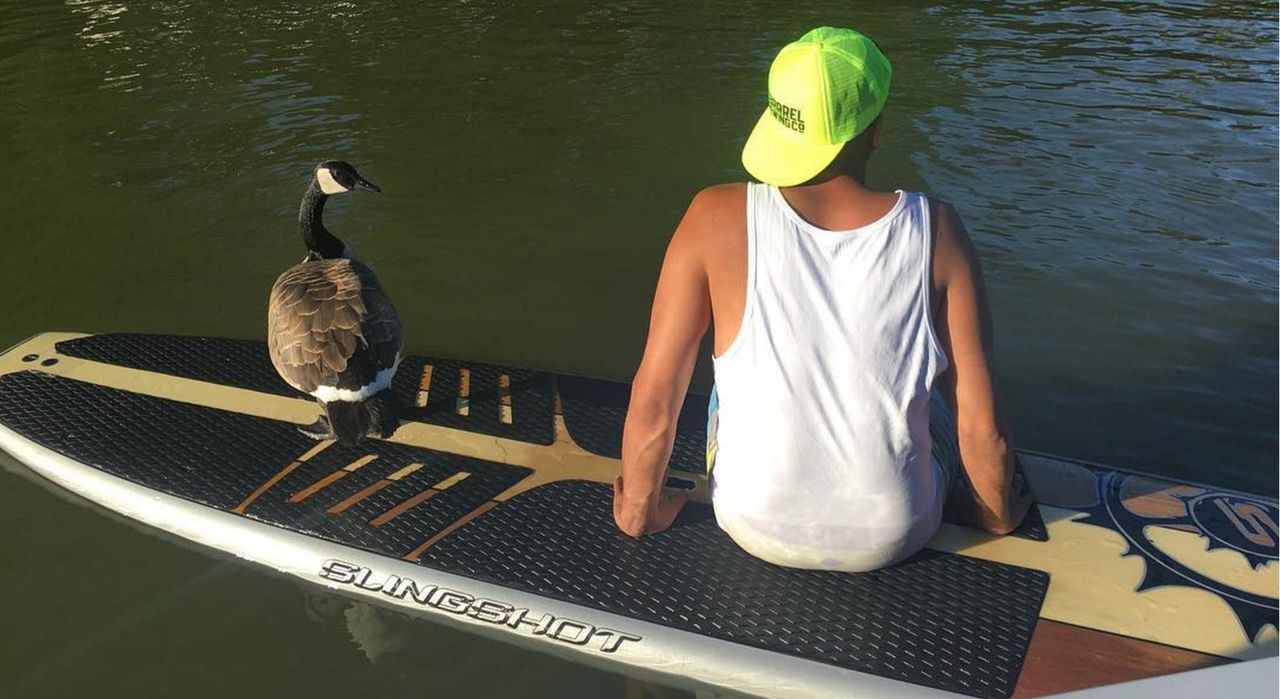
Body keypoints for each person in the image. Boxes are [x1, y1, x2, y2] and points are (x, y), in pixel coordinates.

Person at [611, 26, 1034, 572]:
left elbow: (656, 397)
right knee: (944, 409)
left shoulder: (711, 217)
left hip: (748, 520)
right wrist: (996, 516)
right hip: (897, 533)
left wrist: (640, 510)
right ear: (876, 131)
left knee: (721, 388)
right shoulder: (937, 231)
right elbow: (983, 424)